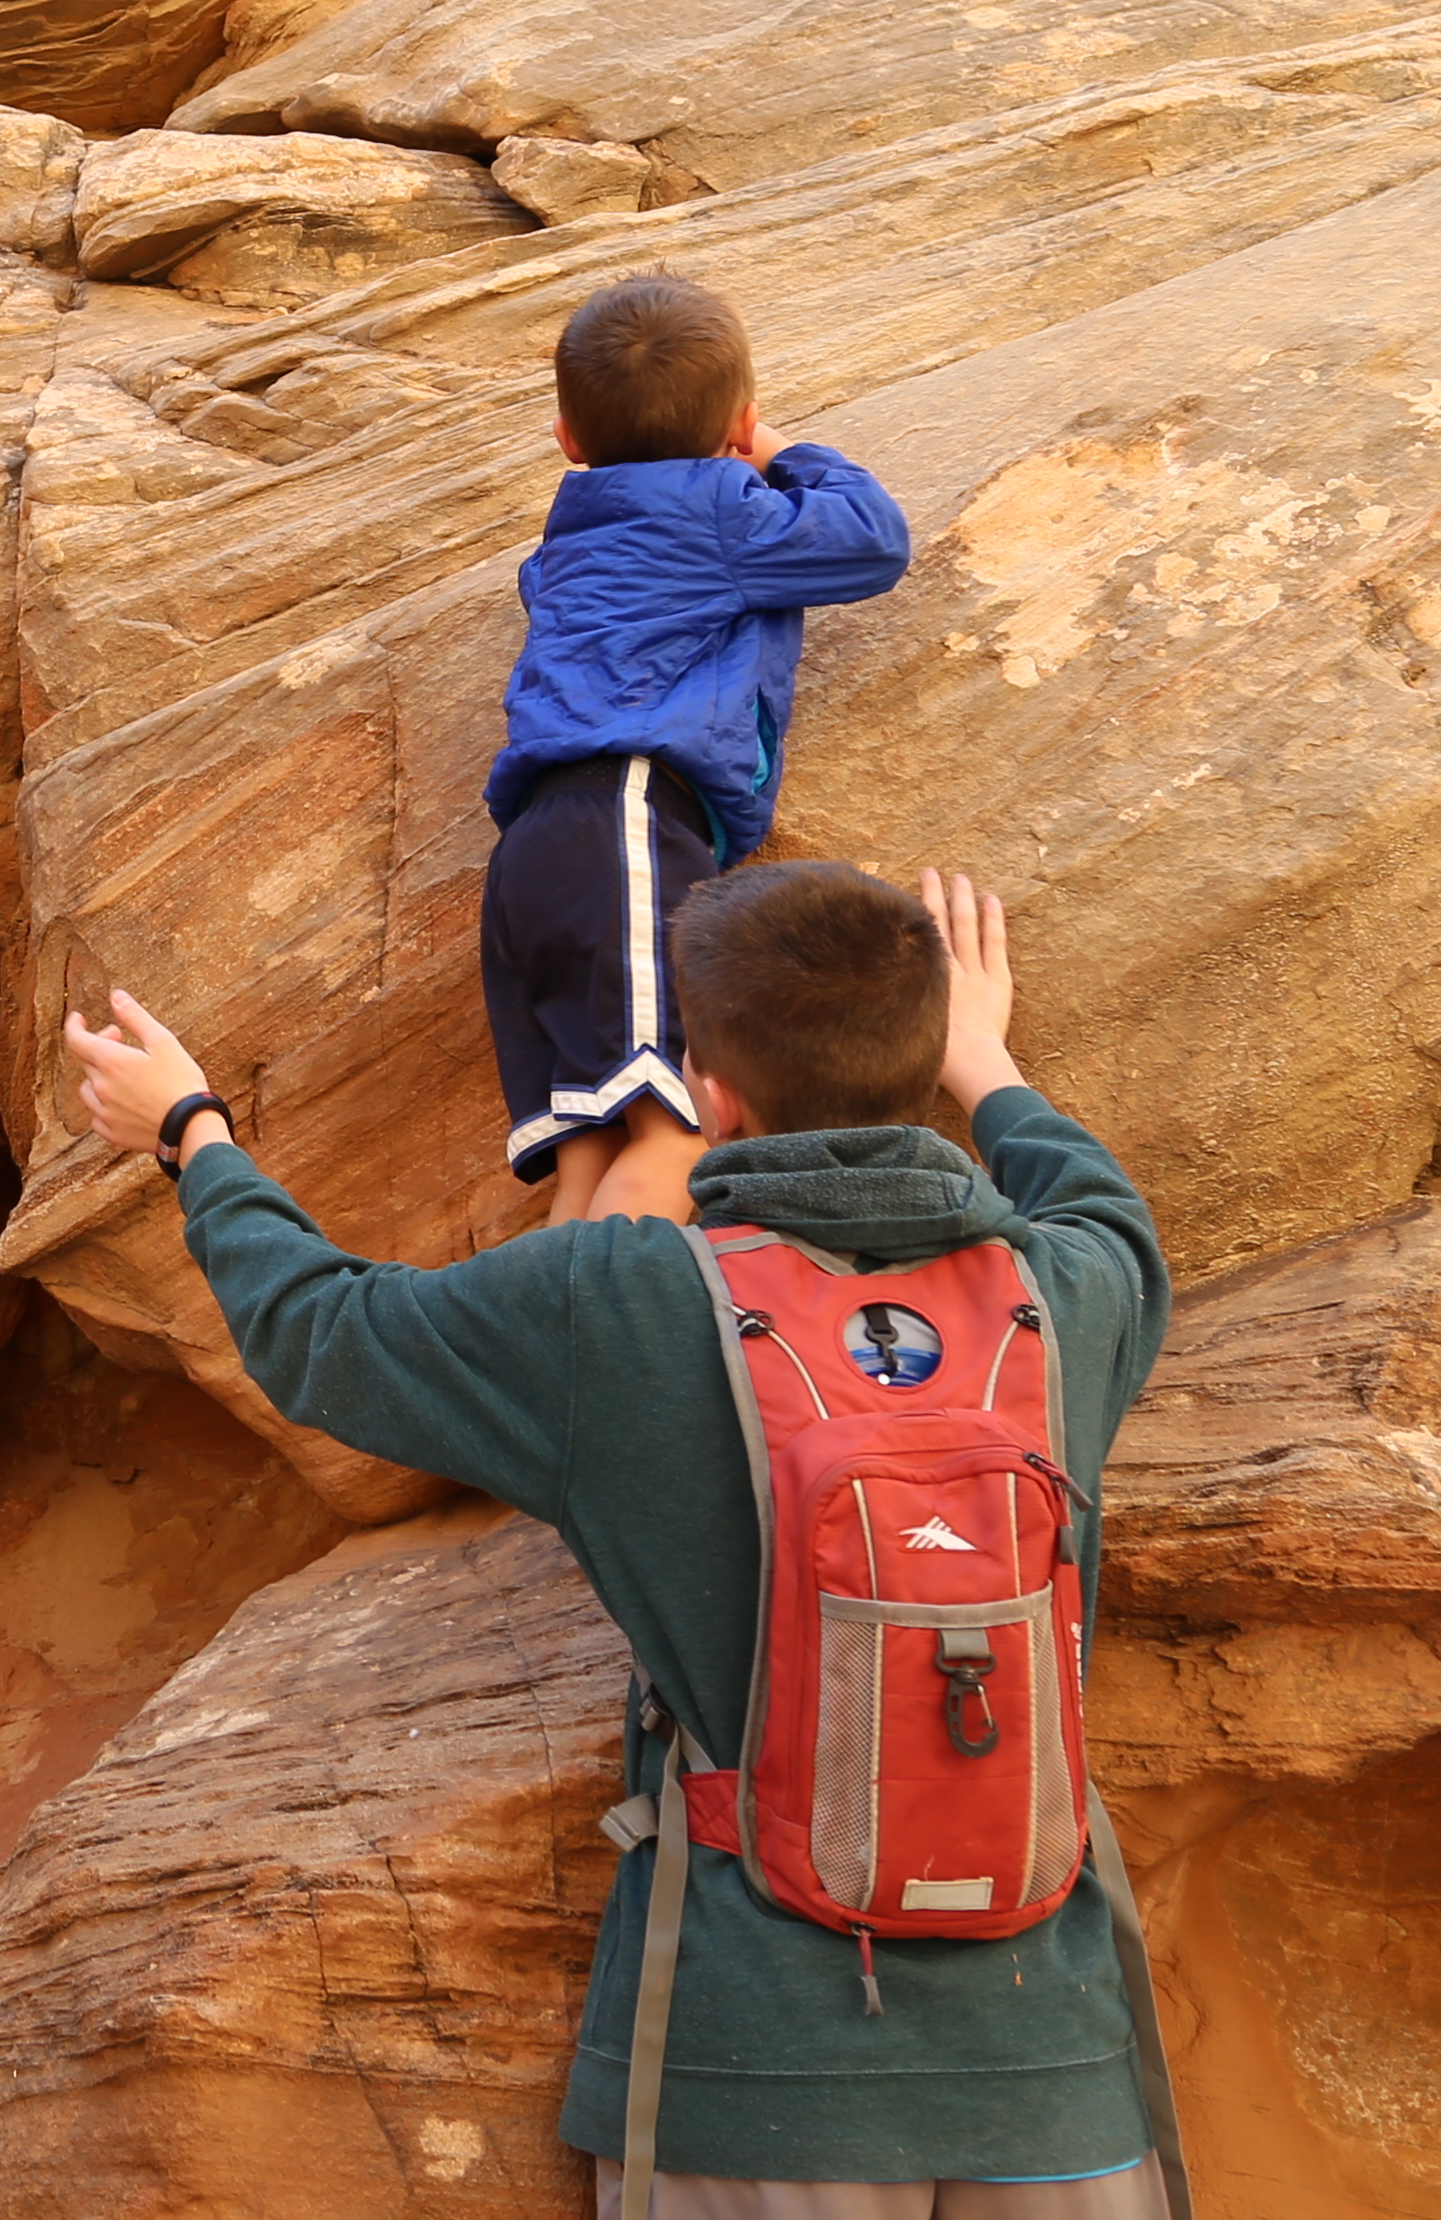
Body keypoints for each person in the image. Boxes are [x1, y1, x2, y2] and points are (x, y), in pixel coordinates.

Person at [65, 866, 1179, 2218]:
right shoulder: (1073, 1294)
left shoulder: (626, 1302)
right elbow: (1102, 1203)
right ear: (924, 1049)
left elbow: (325, 1333)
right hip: (1054, 2075)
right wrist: (987, 1061)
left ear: (710, 1093)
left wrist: (194, 1135)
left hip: (752, 2075)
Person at [489, 276, 913, 1228]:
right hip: (627, 819)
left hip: (542, 854)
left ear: (567, 439)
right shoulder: (723, 507)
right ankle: (599, 1343)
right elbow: (874, 541)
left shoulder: (566, 540)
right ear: (740, 424)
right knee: (679, 1129)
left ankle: (554, 1355)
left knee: (598, 1144)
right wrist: (773, 452)